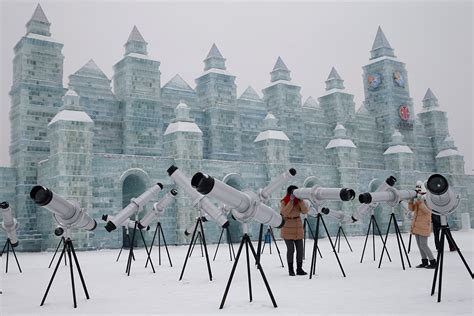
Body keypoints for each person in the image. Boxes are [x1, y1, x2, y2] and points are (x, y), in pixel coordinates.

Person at [280, 185, 309, 276]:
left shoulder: (299, 201)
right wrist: (291, 202)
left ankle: (299, 269)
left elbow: (304, 211)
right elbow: (283, 213)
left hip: (298, 227)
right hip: (287, 227)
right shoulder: (284, 201)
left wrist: (300, 201)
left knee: (300, 249)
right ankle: (291, 269)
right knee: (291, 249)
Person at [408, 181, 436, 269]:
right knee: (419, 245)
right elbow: (411, 209)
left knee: (423, 244)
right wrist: (411, 200)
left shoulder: (427, 198)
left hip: (424, 225)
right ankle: (424, 261)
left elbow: (428, 211)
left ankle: (433, 262)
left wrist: (420, 202)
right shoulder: (418, 199)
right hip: (417, 225)